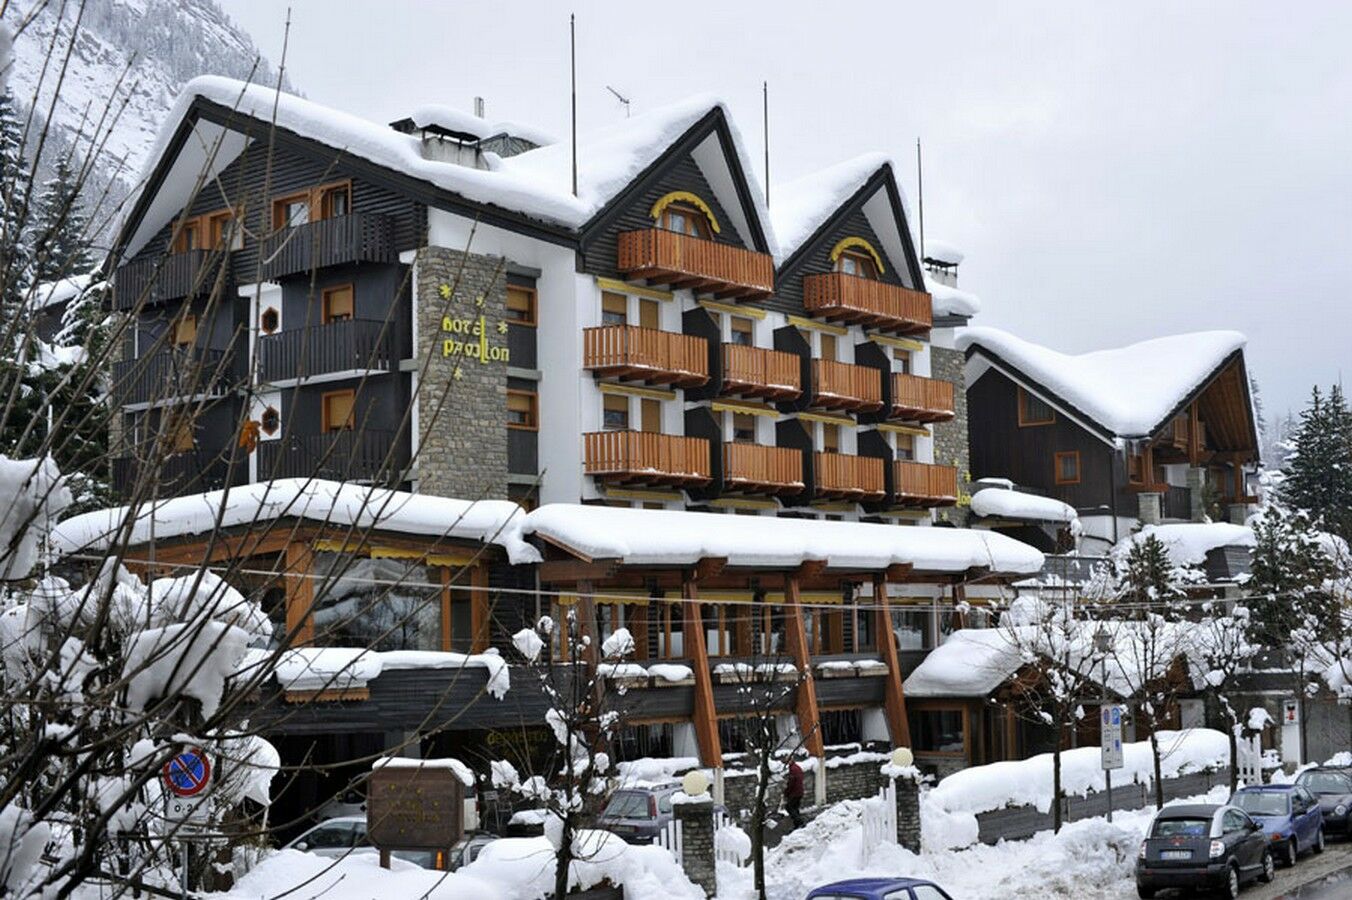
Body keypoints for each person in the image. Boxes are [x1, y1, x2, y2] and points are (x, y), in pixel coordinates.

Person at [784, 758, 805, 829]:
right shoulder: (797, 767)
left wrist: (786, 792)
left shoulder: (793, 769)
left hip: (794, 792)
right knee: (795, 808)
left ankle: (800, 822)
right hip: (799, 791)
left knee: (789, 807)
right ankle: (797, 825)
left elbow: (791, 783)